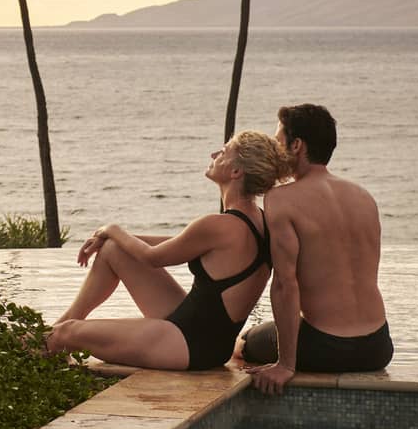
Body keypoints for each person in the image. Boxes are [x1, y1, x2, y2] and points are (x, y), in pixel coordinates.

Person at [43, 131, 291, 370]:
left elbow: (152, 257)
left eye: (224, 152)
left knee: (68, 333)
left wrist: (111, 228)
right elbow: (179, 243)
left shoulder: (219, 225)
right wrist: (109, 238)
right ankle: (53, 330)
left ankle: (43, 342)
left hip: (187, 345)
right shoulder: (259, 220)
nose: (214, 154)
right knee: (113, 250)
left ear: (236, 172)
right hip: (207, 341)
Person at [243, 104, 392, 394]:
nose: (275, 149)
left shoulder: (281, 199)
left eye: (278, 141)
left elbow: (286, 285)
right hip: (378, 346)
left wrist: (285, 365)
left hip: (327, 347)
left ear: (296, 145)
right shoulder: (363, 196)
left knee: (244, 344)